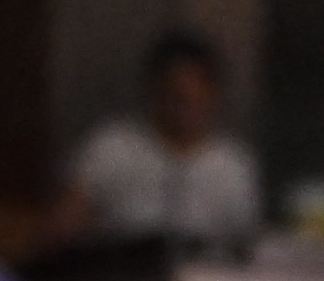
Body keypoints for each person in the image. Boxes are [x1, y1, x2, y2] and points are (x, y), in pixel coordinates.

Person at [68, 34, 268, 250]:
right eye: (177, 97)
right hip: (121, 270)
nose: (187, 110)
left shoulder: (234, 163)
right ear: (153, 92)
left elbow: (247, 242)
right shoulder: (111, 146)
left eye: (198, 99)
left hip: (207, 275)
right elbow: (69, 219)